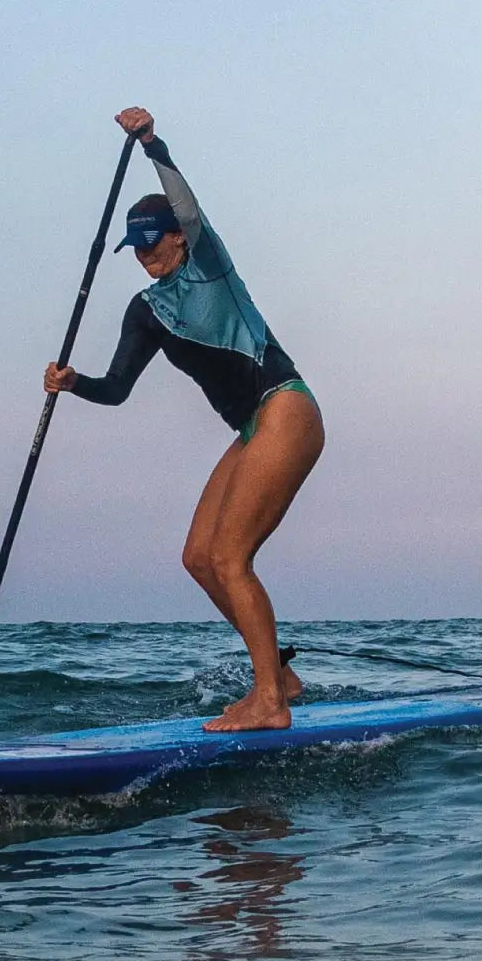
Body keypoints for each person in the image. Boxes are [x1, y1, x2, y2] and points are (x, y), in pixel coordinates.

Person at [44, 107, 325, 732]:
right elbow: (116, 389)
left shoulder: (208, 264)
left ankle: (269, 702)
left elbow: (193, 211)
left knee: (231, 557)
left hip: (285, 406)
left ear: (175, 237)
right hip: (250, 427)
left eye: (152, 242)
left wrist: (152, 144)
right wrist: (73, 384)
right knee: (199, 556)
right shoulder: (144, 311)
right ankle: (278, 674)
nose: (144, 256)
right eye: (134, 248)